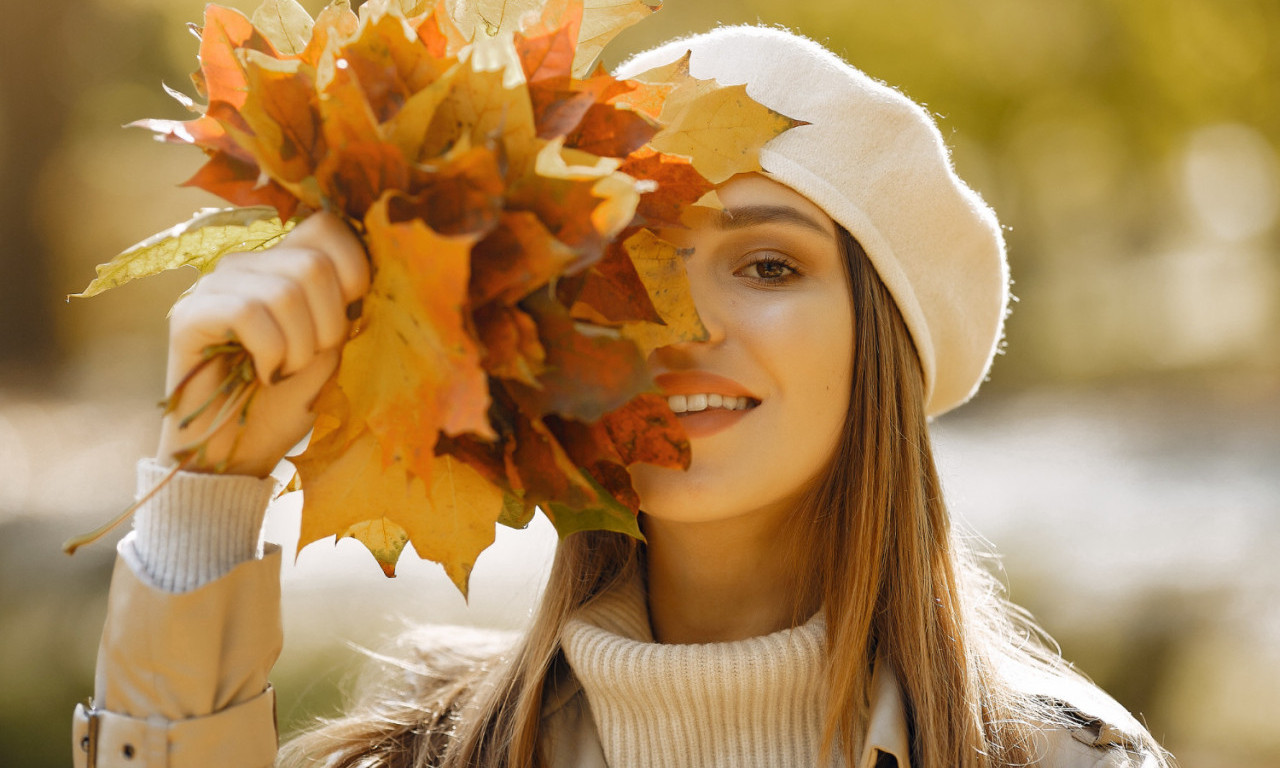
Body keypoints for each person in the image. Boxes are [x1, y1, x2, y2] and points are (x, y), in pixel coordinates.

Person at [72, 25, 1171, 768]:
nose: (678, 324)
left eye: (767, 266)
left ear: (883, 345)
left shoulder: (1060, 760)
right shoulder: (418, 759)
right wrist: (207, 491)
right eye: (620, 264)